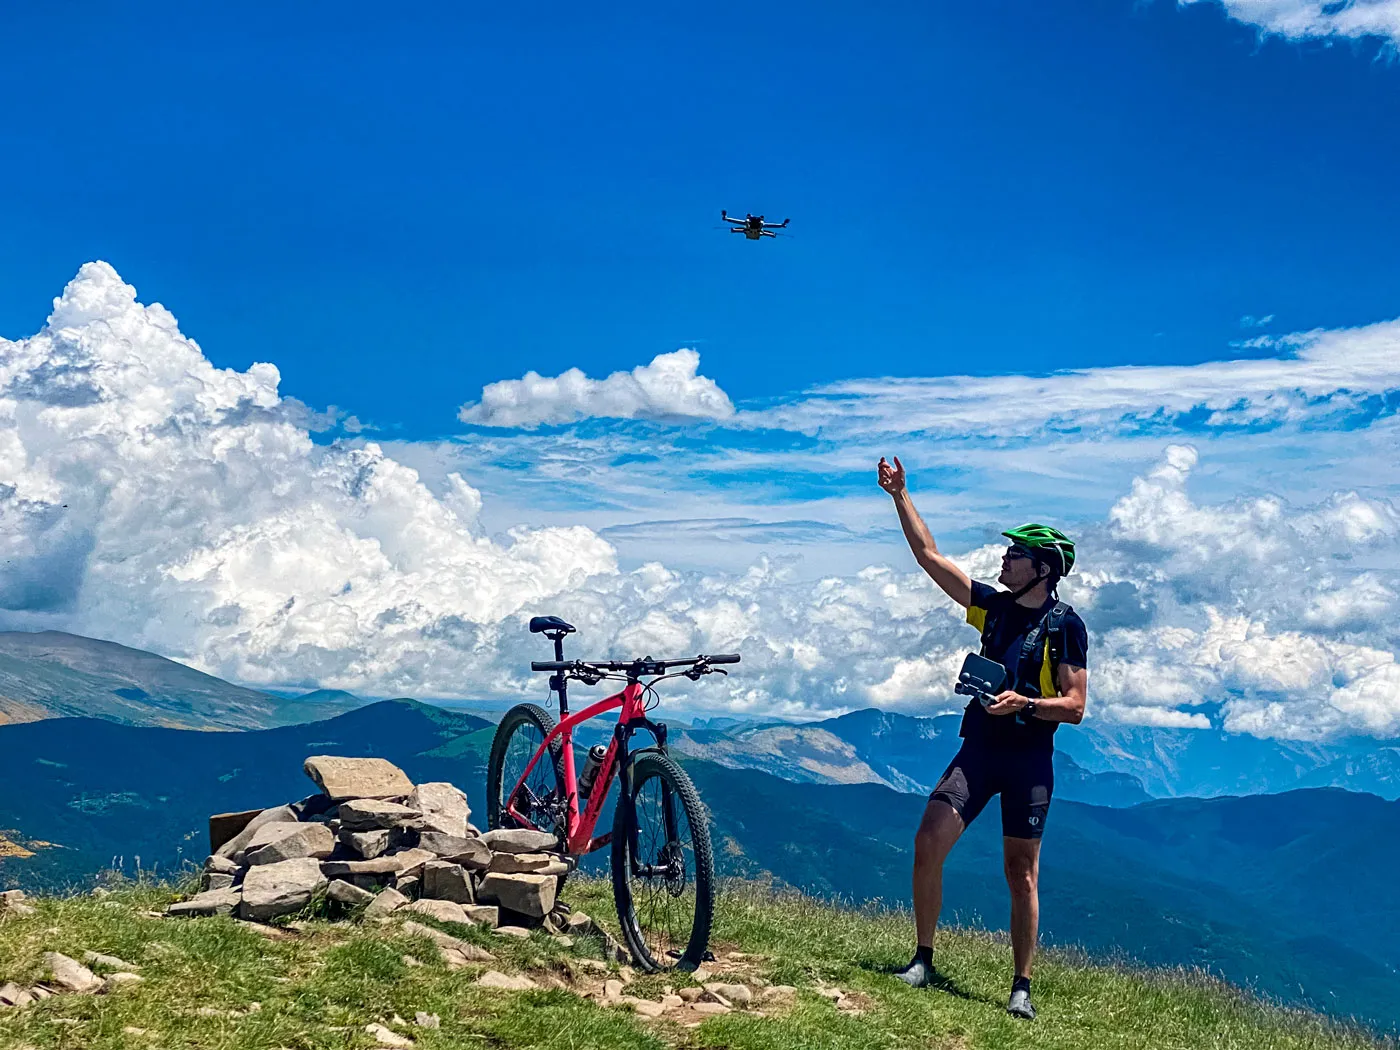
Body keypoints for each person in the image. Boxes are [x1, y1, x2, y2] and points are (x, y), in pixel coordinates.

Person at [876, 455, 1089, 1021]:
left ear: (1041, 569)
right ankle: (923, 958)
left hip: (1028, 761)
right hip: (978, 749)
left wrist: (1027, 703)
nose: (1004, 558)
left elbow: (1076, 706)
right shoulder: (991, 609)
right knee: (928, 842)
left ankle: (1021, 985)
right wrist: (900, 495)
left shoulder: (1065, 625)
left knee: (1021, 874)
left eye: (1015, 554)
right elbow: (929, 558)